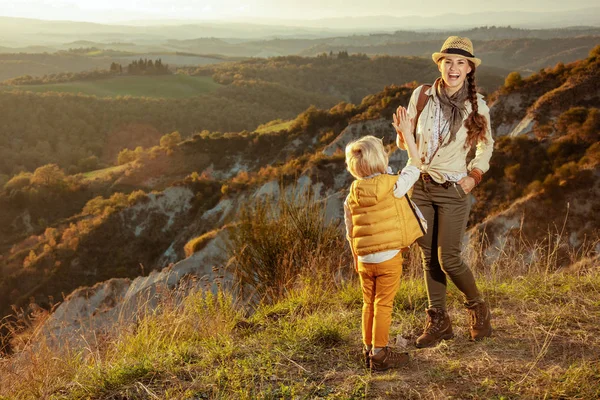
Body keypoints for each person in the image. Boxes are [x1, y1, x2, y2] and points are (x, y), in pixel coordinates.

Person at [394, 36, 494, 348]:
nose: (453, 68)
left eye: (460, 63)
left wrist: (474, 176)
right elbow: (407, 144)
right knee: (428, 256)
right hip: (421, 188)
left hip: (453, 189)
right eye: (448, 62)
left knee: (448, 257)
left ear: (469, 69)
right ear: (440, 64)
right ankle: (439, 321)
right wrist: (402, 135)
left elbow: (486, 146)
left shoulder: (476, 107)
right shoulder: (422, 96)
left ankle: (478, 308)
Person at [343, 126, 426, 371]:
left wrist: (356, 257)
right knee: (383, 304)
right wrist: (409, 138)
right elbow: (415, 165)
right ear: (381, 160)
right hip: (388, 258)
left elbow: (350, 229)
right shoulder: (394, 185)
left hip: (365, 259)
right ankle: (379, 353)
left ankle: (368, 349)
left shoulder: (352, 193)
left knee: (368, 303)